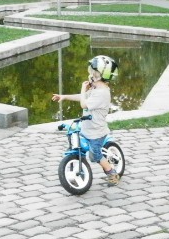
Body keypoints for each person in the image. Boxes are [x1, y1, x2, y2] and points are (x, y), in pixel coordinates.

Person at [52, 55, 121, 186]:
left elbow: (83, 104)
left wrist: (83, 88)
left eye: (93, 73)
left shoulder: (102, 93)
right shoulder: (96, 89)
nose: (90, 75)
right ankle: (78, 164)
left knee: (95, 156)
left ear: (99, 76)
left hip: (96, 133)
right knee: (76, 140)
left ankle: (112, 173)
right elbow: (82, 97)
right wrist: (64, 96)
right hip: (88, 128)